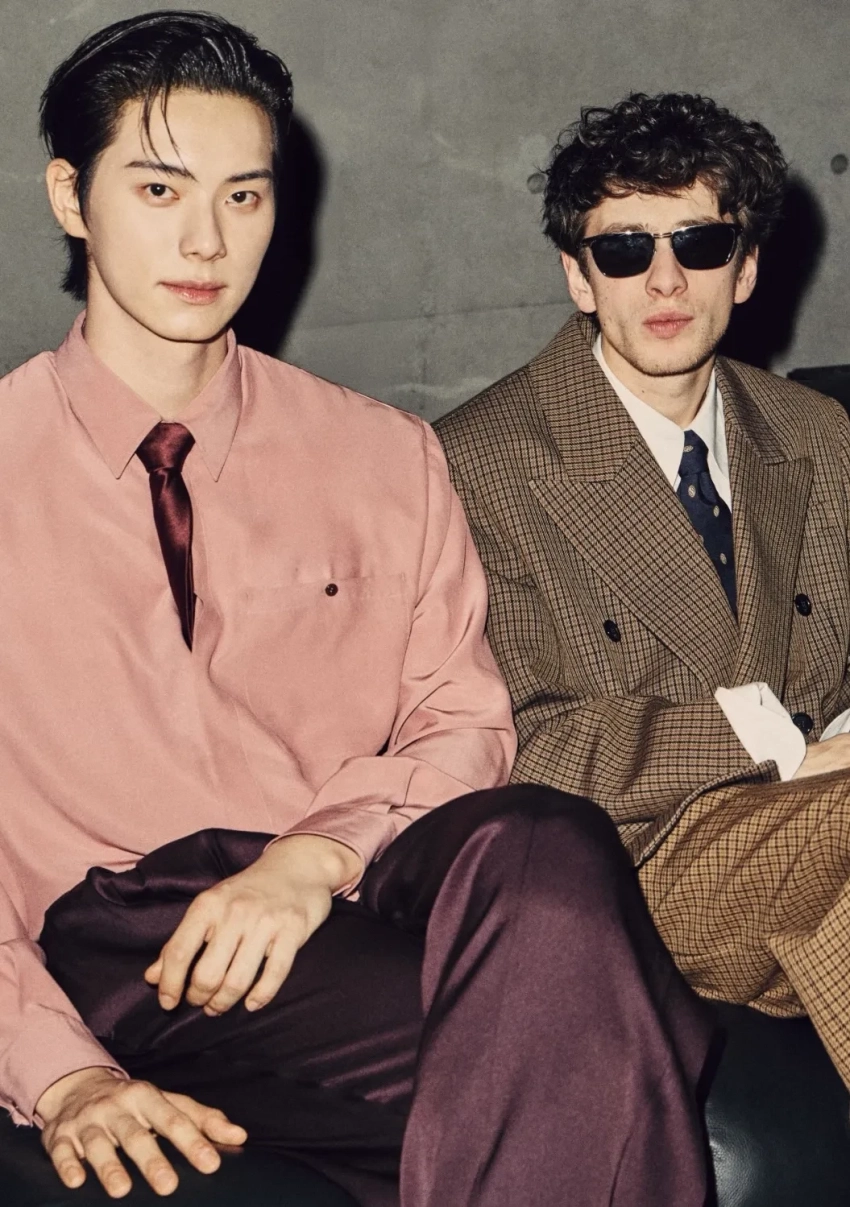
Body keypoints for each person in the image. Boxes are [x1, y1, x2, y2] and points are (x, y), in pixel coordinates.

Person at [0, 22, 712, 1207]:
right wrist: (61, 1073)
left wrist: (312, 856)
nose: (206, 239)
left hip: (353, 876)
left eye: (243, 195)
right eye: (161, 189)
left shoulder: (383, 453)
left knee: (544, 834)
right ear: (72, 197)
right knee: (614, 1041)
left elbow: (462, 722)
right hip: (142, 934)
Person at [436, 90, 850, 1095]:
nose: (664, 281)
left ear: (745, 268)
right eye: (623, 251)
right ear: (577, 276)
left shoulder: (816, 432)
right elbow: (517, 745)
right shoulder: (475, 463)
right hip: (636, 867)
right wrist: (776, 738)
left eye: (699, 245)